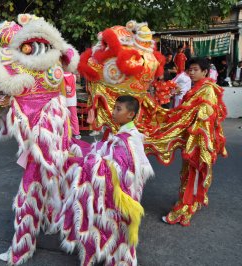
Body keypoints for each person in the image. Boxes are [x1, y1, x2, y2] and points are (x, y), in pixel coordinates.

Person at [59, 95, 154, 265]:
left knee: (116, 231)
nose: (113, 112)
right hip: (118, 195)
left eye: (118, 109)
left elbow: (114, 167)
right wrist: (80, 150)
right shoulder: (123, 133)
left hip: (121, 196)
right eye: (114, 108)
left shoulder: (128, 139)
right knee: (109, 228)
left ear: (130, 114)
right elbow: (103, 152)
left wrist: (84, 161)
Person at [162, 58, 227, 226]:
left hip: (198, 141)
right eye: (190, 69)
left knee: (192, 173)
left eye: (195, 69)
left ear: (204, 72)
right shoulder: (196, 88)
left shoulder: (207, 90)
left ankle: (184, 208)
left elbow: (206, 117)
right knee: (189, 173)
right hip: (191, 138)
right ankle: (193, 201)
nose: (191, 72)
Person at [63, 72, 81, 139]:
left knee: (64, 117)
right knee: (74, 117)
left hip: (63, 99)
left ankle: (65, 133)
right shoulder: (73, 76)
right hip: (72, 100)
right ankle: (76, 133)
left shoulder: (60, 75)